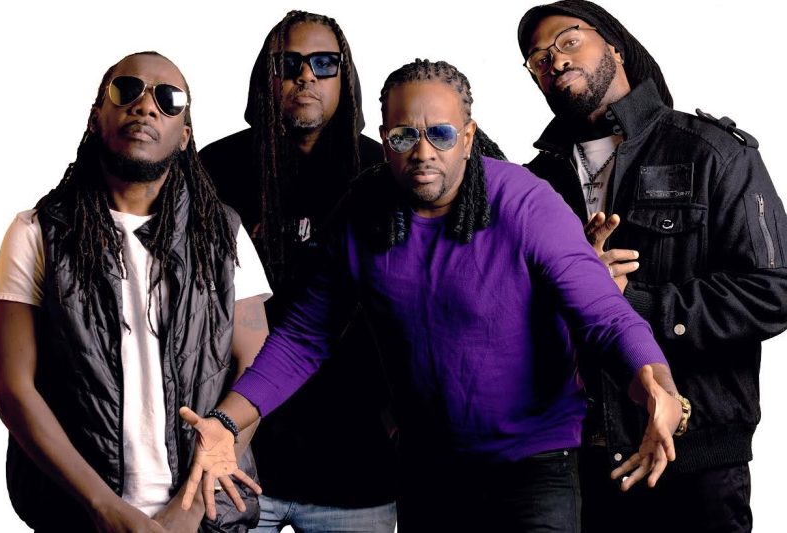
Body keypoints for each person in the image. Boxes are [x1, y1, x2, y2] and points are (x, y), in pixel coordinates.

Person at [180, 59, 685, 533]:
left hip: (534, 464)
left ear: (467, 137)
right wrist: (227, 422)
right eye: (404, 136)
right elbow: (304, 338)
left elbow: (603, 314)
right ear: (384, 138)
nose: (423, 153)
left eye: (440, 134)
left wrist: (655, 384)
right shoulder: (363, 208)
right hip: (428, 468)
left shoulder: (525, 203)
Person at [517, 2, 787, 532]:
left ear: (615, 48)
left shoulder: (712, 152)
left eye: (569, 41)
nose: (556, 61)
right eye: (539, 59)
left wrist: (630, 303)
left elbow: (773, 291)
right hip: (574, 460)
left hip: (695, 458)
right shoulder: (533, 182)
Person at [0, 51, 272, 532]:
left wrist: (188, 510)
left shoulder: (223, 234)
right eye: (127, 90)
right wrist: (103, 507)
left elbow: (257, 374)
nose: (145, 106)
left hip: (205, 514)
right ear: (96, 116)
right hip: (75, 514)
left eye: (168, 99)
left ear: (185, 135)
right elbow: (15, 391)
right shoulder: (35, 232)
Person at [199, 10, 397, 532]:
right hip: (239, 459)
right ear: (265, 77)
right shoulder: (214, 169)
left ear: (344, 75)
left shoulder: (383, 172)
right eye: (288, 64)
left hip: (357, 463)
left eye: (323, 63)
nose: (306, 75)